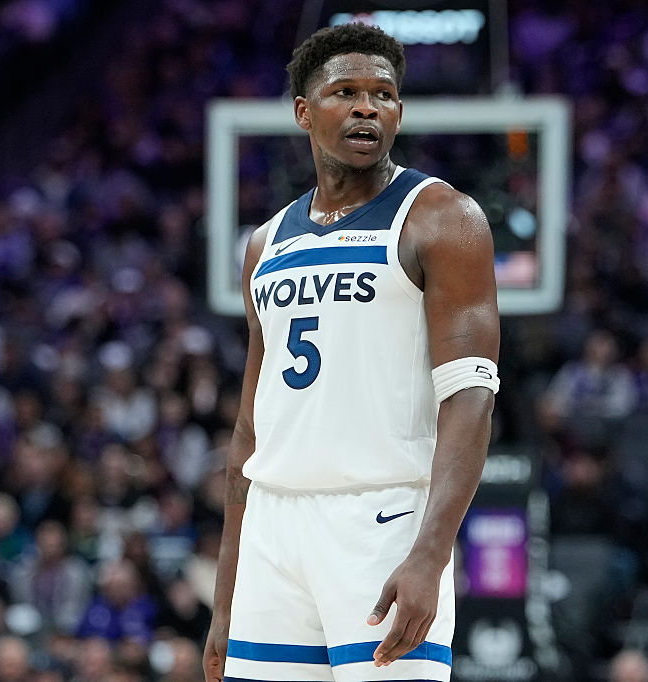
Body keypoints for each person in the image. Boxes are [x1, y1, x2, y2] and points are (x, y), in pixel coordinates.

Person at [202, 22, 500, 682]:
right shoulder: (265, 243)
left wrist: (431, 553)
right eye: (346, 92)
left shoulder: (442, 218)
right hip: (274, 529)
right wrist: (227, 594)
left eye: (384, 94)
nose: (368, 106)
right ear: (304, 112)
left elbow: (472, 395)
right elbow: (251, 427)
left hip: (382, 519)